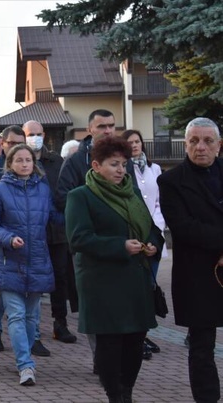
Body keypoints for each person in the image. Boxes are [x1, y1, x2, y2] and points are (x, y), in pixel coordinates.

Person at [66, 136, 162, 403]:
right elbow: (78, 239)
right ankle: (115, 395)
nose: (120, 170)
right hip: (102, 283)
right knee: (109, 345)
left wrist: (153, 244)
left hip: (135, 281)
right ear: (96, 165)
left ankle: (126, 391)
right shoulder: (80, 196)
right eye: (113, 164)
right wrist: (120, 246)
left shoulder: (131, 194)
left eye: (123, 164)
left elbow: (152, 228)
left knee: (135, 342)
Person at [158, 117, 223, 403]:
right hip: (197, 276)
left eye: (208, 141)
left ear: (219, 146)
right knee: (201, 347)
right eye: (194, 141)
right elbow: (183, 227)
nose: (201, 147)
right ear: (185, 145)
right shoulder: (170, 181)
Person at [0, 144, 59, 386]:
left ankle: (24, 358)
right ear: (10, 163)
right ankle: (25, 365)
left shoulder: (43, 190)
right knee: (16, 315)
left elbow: (54, 216)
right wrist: (8, 239)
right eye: (20, 160)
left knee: (31, 317)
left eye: (28, 160)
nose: (25, 164)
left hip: (37, 259)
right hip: (9, 261)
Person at [23, 120, 77, 348]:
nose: (34, 137)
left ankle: (60, 323)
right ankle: (31, 328)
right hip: (31, 232)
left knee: (60, 278)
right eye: (30, 134)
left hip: (56, 231)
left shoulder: (56, 161)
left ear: (44, 135)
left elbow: (64, 192)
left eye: (38, 134)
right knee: (32, 280)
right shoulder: (22, 160)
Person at [122, 129, 166, 358]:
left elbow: (159, 201)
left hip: (154, 233)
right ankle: (138, 335)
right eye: (129, 143)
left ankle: (144, 333)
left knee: (150, 284)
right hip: (135, 233)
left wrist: (157, 225)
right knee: (137, 286)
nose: (135, 145)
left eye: (137, 141)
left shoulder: (155, 168)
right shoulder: (124, 170)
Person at [0, 125, 27, 352]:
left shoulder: (32, 167)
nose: (16, 147)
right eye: (11, 143)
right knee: (0, 289)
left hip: (26, 237)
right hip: (0, 237)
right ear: (3, 145)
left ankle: (32, 337)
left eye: (21, 142)